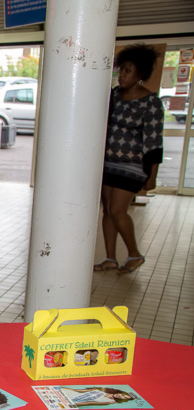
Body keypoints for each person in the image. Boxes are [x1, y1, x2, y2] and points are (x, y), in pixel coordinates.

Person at [94, 44, 163, 274]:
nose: (122, 75)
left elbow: (154, 141)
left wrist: (152, 176)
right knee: (107, 211)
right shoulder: (114, 95)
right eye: (121, 70)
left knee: (117, 210)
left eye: (128, 71)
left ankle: (135, 254)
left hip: (133, 167)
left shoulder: (151, 103)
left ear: (140, 74)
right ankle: (110, 258)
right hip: (109, 163)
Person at [59, 386, 135, 407]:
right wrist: (60, 388)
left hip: (71, 400)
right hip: (69, 392)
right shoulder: (102, 389)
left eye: (124, 397)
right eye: (123, 394)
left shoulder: (110, 401)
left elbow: (89, 403)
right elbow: (78, 390)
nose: (120, 396)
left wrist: (72, 405)